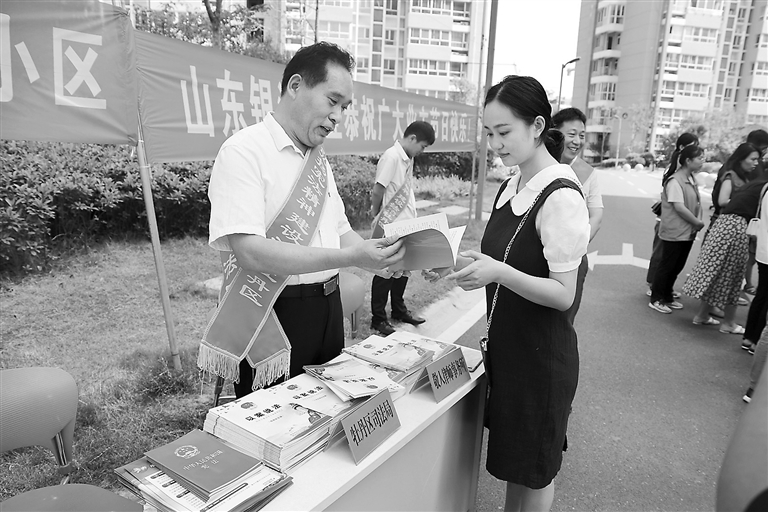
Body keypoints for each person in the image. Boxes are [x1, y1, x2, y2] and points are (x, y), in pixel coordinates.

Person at [204, 42, 405, 398]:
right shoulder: (244, 152)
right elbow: (249, 252)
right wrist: (351, 257)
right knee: (277, 421)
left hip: (329, 307)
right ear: (296, 85)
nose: (338, 116)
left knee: (329, 414)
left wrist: (382, 258)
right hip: (275, 314)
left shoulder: (318, 160)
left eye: (344, 107)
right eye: (332, 101)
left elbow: (341, 231)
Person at [428, 75, 589, 511]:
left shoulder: (561, 197)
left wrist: (499, 272)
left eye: (504, 132)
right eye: (488, 133)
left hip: (541, 361)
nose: (495, 144)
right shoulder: (512, 185)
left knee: (534, 473)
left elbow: (563, 293)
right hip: (510, 352)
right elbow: (500, 257)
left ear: (537, 126)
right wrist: (452, 261)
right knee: (517, 466)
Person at [683, 145, 763, 334]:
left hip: (724, 226)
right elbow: (722, 201)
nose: (756, 163)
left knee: (717, 273)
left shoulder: (751, 182)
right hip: (736, 228)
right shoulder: (735, 177)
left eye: (758, 160)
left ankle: (702, 315)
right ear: (742, 158)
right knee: (733, 276)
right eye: (753, 159)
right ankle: (728, 323)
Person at [369, 121, 436, 336]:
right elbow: (378, 190)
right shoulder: (392, 157)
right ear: (412, 138)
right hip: (391, 225)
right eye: (422, 146)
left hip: (406, 224)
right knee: (386, 272)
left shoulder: (407, 159)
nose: (422, 151)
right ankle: (378, 319)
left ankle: (399, 311)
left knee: (404, 269)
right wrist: (376, 215)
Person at [552, 107, 604, 323]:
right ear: (554, 133)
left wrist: (577, 244)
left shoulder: (588, 173)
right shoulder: (539, 166)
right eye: (571, 134)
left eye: (581, 136)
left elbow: (596, 215)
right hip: (536, 253)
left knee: (564, 319)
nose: (577, 141)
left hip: (573, 258)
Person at [648, 145, 705, 314]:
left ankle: (667, 296)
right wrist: (696, 222)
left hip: (686, 232)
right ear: (688, 160)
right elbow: (679, 207)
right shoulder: (675, 181)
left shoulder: (690, 178)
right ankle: (656, 298)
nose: (703, 161)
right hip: (675, 231)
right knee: (667, 265)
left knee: (677, 266)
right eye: (700, 158)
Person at [742, 179, 768, 354]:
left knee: (762, 295)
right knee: (765, 298)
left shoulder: (766, 187)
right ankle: (757, 341)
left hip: (763, 250)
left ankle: (749, 337)